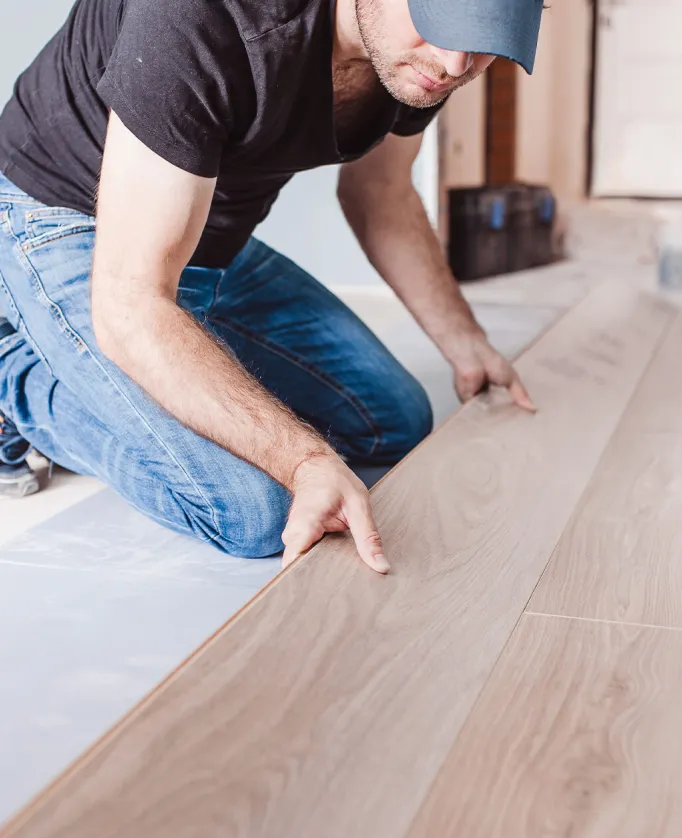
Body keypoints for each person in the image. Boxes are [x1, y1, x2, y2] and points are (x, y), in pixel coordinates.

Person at [0, 0, 543, 569]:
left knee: (395, 421)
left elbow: (381, 196)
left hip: (201, 234)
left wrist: (467, 344)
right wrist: (303, 459)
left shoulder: (421, 61)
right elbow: (132, 298)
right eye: (439, 26)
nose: (455, 63)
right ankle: (16, 373)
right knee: (251, 511)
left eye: (483, 42)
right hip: (66, 217)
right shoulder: (199, 14)